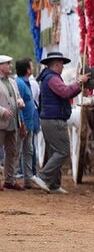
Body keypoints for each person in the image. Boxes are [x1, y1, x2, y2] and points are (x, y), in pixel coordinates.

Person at [30, 51, 88, 194]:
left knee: (54, 151)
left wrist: (79, 85)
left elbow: (66, 93)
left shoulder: (49, 78)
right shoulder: (53, 79)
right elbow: (65, 92)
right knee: (63, 151)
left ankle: (54, 185)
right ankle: (42, 177)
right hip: (54, 120)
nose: (63, 67)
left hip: (49, 119)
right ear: (56, 64)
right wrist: (79, 81)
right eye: (62, 64)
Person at [0, 54, 25, 191]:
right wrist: (2, 110)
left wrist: (20, 102)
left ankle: (10, 180)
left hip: (13, 122)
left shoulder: (13, 82)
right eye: (7, 63)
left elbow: (18, 97)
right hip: (1, 122)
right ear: (0, 67)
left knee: (12, 152)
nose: (10, 66)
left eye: (10, 63)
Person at [15, 58, 39, 189]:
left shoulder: (25, 82)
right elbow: (17, 105)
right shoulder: (20, 83)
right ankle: (11, 179)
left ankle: (27, 180)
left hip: (28, 124)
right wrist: (21, 123)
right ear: (27, 69)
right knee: (17, 151)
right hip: (23, 125)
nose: (33, 67)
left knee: (28, 151)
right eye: (31, 66)